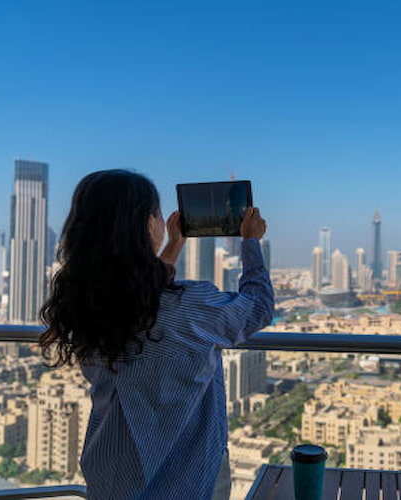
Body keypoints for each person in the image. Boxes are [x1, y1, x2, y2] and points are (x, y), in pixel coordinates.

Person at [39, 170, 274, 499]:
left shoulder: (86, 304)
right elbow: (259, 307)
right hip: (187, 479)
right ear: (149, 224)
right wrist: (250, 242)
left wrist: (173, 247)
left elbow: (140, 297)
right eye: (158, 214)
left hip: (112, 477)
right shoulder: (190, 305)